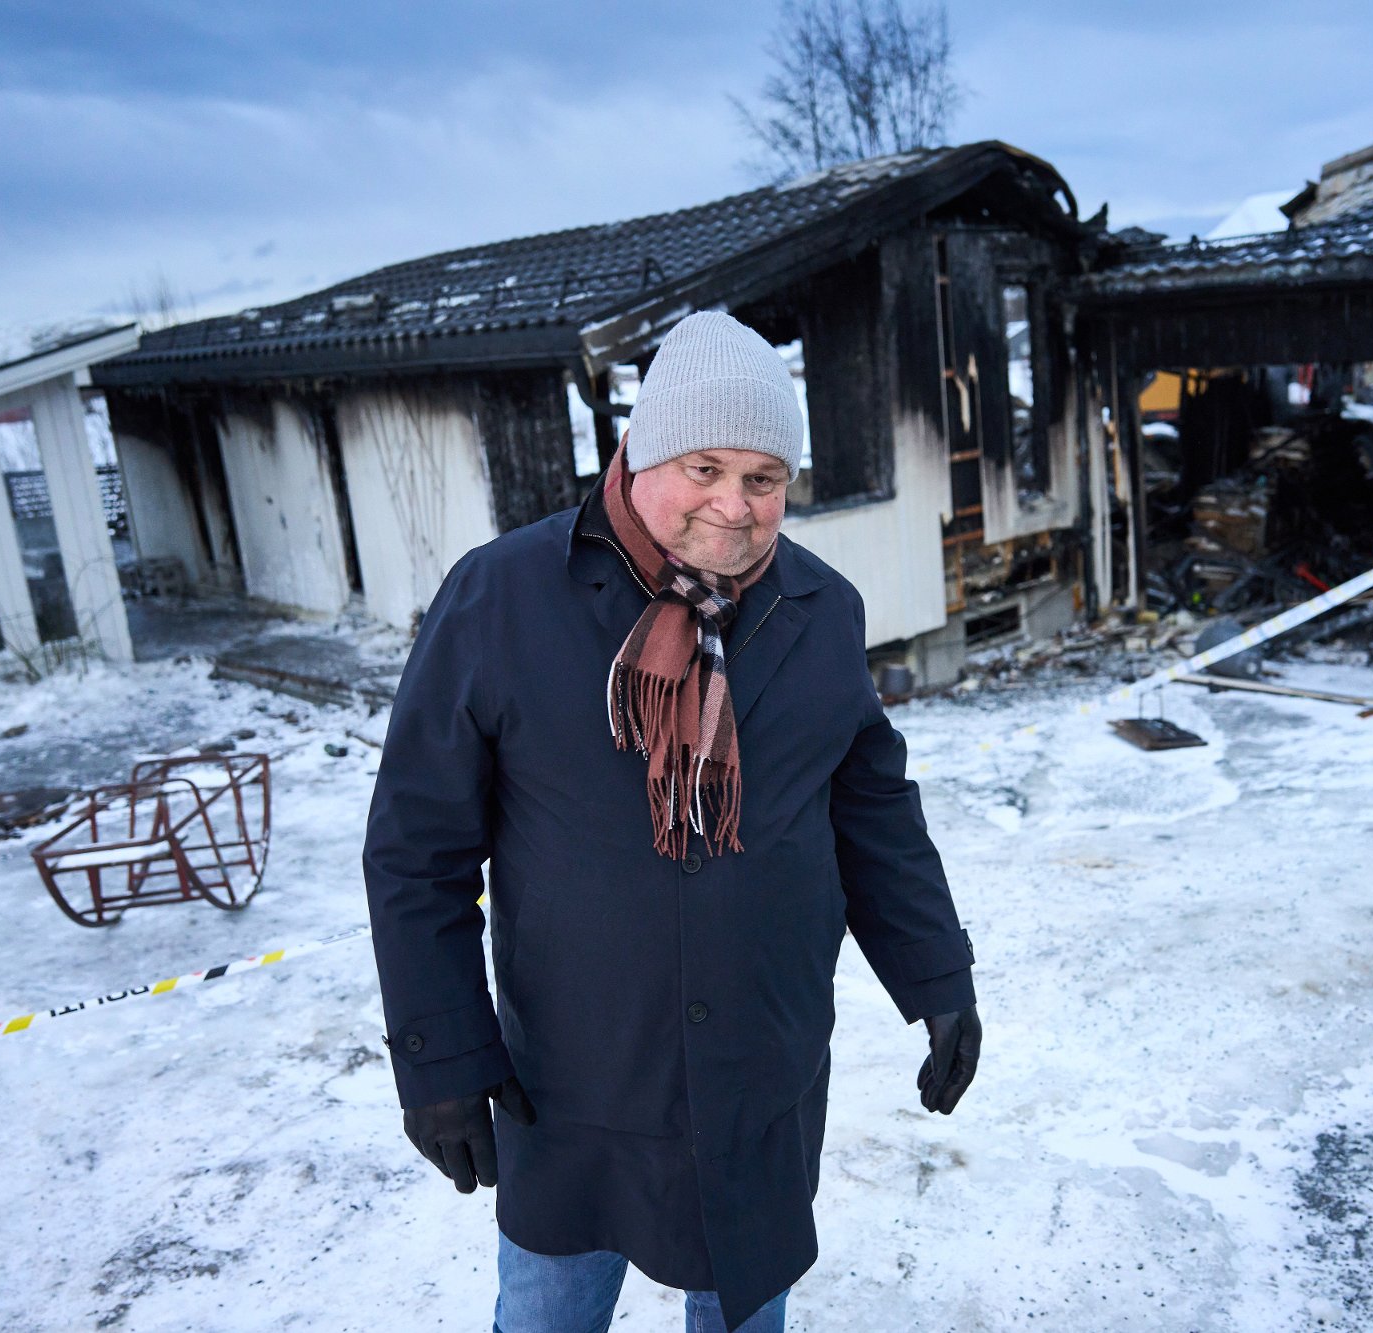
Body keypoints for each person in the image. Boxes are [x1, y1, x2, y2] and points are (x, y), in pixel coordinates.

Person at [362, 309, 983, 1333]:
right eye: (704, 466)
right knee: (549, 1311)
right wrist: (438, 1057)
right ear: (642, 450)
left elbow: (871, 809)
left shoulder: (817, 610)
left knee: (741, 1308)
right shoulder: (504, 598)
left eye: (763, 478)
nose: (734, 508)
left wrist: (937, 978)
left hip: (760, 1064)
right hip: (574, 1073)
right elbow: (415, 851)